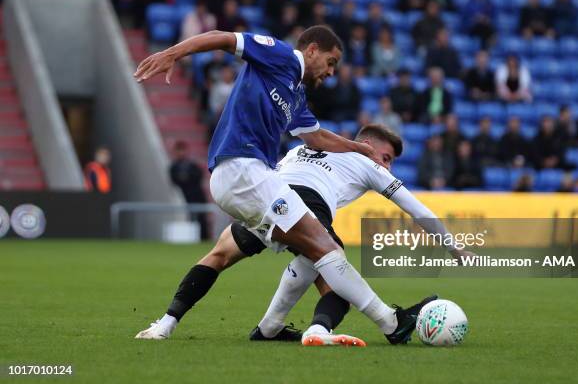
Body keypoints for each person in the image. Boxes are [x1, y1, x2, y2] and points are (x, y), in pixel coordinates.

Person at [134, 26, 437, 346]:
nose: (331, 72)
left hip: (245, 179)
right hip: (243, 170)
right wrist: (173, 53)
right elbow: (223, 38)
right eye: (331, 62)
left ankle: (173, 325)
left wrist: (358, 147)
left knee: (256, 253)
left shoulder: (296, 95)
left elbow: (316, 137)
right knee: (326, 249)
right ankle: (391, 323)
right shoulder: (279, 54)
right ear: (312, 50)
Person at [134, 124, 473, 344]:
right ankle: (385, 323)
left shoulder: (302, 149)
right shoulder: (367, 162)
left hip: (269, 197)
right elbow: (416, 209)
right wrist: (453, 245)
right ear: (366, 144)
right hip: (309, 206)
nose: (386, 167)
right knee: (333, 265)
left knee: (219, 255)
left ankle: (170, 323)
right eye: (385, 157)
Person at [169, 141, 208, 239]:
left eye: (183, 150)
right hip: (184, 197)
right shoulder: (174, 167)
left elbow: (198, 176)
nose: (181, 153)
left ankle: (203, 239)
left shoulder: (192, 165)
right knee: (188, 220)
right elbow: (175, 181)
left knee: (201, 221)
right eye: (179, 150)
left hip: (197, 197)